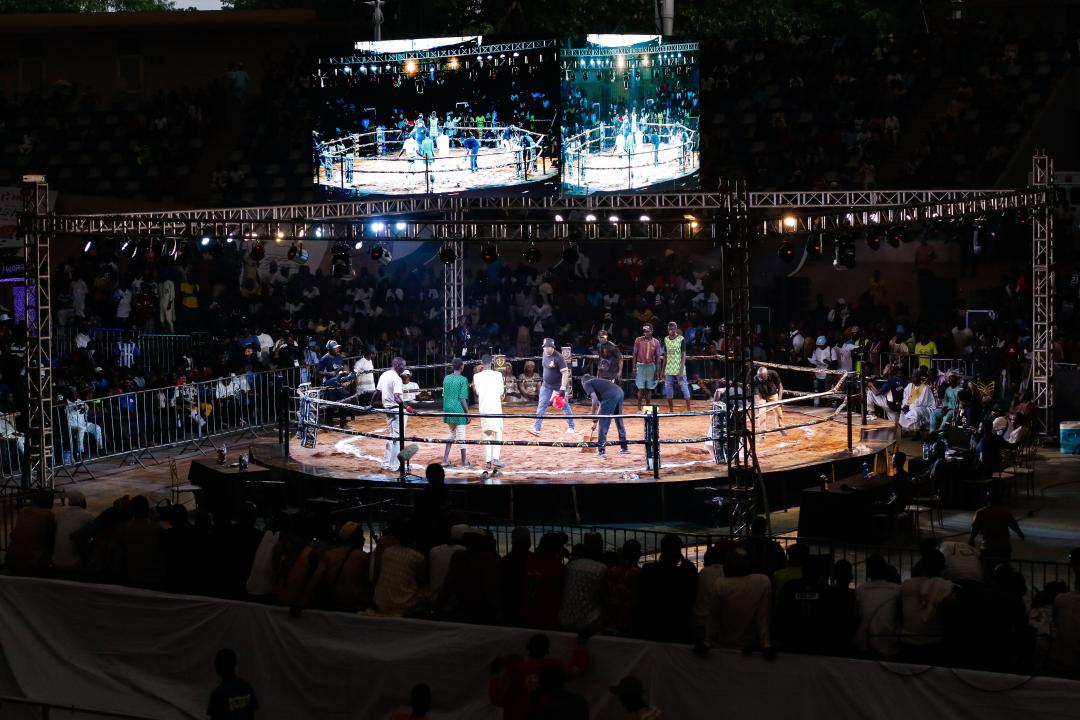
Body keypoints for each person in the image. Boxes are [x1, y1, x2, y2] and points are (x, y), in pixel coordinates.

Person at [633, 534, 697, 642]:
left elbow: (640, 597)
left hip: (651, 628)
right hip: (677, 630)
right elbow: (692, 596)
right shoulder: (683, 574)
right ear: (677, 553)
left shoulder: (649, 569)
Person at [706, 549, 772, 652]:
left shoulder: (720, 584)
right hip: (751, 646)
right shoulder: (763, 581)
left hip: (724, 645)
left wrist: (707, 642)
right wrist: (766, 644)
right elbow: (763, 617)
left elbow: (714, 618)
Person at [558, 533, 608, 632]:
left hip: (565, 620)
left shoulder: (570, 566)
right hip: (590, 623)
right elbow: (605, 597)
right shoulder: (601, 569)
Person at [853, 554, 901, 658]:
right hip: (889, 645)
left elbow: (857, 615)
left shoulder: (860, 590)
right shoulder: (897, 590)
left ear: (868, 572)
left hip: (864, 644)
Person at [528, 338, 575, 436]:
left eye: (548, 347)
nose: (546, 349)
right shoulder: (544, 354)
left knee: (565, 406)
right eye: (544, 347)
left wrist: (562, 388)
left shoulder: (559, 357)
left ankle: (571, 427)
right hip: (546, 385)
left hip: (558, 386)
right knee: (541, 405)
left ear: (552, 347)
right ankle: (536, 428)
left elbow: (565, 373)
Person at [969, 488, 1025, 567]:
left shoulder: (980, 513)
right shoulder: (1005, 512)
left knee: (987, 569)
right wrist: (1020, 533)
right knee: (1004, 569)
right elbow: (1013, 525)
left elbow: (974, 528)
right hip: (1004, 547)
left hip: (987, 547)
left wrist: (971, 539)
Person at [6, 489, 56, 576]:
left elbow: (13, 535)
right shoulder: (48, 514)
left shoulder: (24, 511)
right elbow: (51, 539)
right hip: (32, 562)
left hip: (10, 559)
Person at [580, 373, 628, 456]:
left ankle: (601, 450)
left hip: (611, 395)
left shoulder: (586, 383)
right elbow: (601, 405)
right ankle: (624, 447)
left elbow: (594, 400)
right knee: (619, 420)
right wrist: (595, 421)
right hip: (619, 392)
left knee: (603, 423)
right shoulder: (598, 382)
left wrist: (593, 415)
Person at [474, 354, 506, 472]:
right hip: (495, 407)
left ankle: (488, 461)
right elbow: (501, 392)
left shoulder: (476, 376)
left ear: (481, 363)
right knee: (498, 431)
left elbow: (477, 392)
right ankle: (496, 458)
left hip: (484, 407)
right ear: (492, 362)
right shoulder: (498, 375)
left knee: (487, 433)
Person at [52, 489, 95, 576]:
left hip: (55, 563)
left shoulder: (60, 514)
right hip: (75, 564)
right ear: (83, 502)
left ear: (69, 503)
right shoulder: (87, 516)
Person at [207, 648, 258, 720]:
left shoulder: (218, 694)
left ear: (218, 667)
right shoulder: (246, 687)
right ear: (234, 664)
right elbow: (251, 715)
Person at [376, 357, 408, 471]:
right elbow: (397, 397)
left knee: (391, 437)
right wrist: (407, 407)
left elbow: (377, 392)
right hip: (396, 410)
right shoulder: (396, 378)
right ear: (398, 365)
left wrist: (370, 404)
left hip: (388, 410)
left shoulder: (384, 375)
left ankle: (386, 463)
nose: (405, 368)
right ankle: (394, 465)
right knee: (397, 439)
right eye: (403, 365)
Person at [590, 329, 623, 432]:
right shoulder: (599, 346)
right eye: (600, 337)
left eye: (603, 337)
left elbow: (620, 358)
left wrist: (619, 372)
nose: (601, 339)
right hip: (602, 373)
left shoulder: (612, 346)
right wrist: (598, 372)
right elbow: (601, 359)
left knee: (604, 398)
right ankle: (596, 418)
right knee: (597, 397)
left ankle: (596, 420)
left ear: (606, 337)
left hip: (611, 374)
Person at [441, 358, 471, 468]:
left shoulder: (446, 378)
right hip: (458, 409)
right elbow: (463, 398)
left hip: (447, 408)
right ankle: (464, 461)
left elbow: (444, 394)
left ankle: (445, 459)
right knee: (461, 435)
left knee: (451, 434)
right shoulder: (463, 379)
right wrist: (467, 413)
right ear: (462, 366)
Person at [317, 339, 350, 429]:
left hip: (339, 384)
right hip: (330, 386)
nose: (337, 349)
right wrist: (329, 373)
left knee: (343, 404)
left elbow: (344, 365)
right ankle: (330, 424)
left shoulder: (339, 356)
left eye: (337, 348)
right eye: (335, 348)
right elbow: (318, 372)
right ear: (330, 349)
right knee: (330, 406)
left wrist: (346, 371)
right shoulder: (324, 359)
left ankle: (343, 424)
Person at [661, 321, 692, 413]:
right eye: (669, 328)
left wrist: (681, 370)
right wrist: (662, 370)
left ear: (676, 329)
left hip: (679, 366)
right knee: (668, 388)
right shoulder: (666, 339)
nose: (671, 330)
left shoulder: (681, 339)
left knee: (684, 387)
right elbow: (665, 356)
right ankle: (671, 410)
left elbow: (683, 355)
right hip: (669, 367)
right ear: (668, 329)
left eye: (673, 328)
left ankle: (689, 410)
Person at [632, 323, 663, 410]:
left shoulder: (656, 342)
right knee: (641, 388)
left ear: (652, 331)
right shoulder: (638, 340)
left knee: (649, 389)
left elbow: (658, 358)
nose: (646, 333)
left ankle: (647, 407)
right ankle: (638, 408)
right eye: (644, 331)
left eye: (648, 331)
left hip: (651, 366)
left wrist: (657, 371)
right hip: (640, 365)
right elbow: (634, 354)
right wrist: (634, 368)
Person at [899, 367, 934, 434]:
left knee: (915, 411)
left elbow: (922, 402)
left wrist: (909, 407)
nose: (913, 379)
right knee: (903, 411)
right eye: (912, 377)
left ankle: (918, 432)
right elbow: (905, 397)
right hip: (911, 407)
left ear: (919, 378)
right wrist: (905, 405)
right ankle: (913, 431)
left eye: (915, 377)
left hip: (926, 408)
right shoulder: (910, 386)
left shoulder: (925, 387)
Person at [752, 366, 786, 435]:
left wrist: (779, 401)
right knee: (761, 413)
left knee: (779, 413)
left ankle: (780, 427)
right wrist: (756, 411)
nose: (761, 380)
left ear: (766, 375)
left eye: (762, 378)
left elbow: (780, 387)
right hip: (762, 396)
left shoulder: (773, 374)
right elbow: (756, 396)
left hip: (772, 394)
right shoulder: (755, 379)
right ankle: (762, 431)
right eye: (760, 378)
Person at [809, 335, 837, 407]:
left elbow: (835, 363)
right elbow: (813, 361)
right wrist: (814, 363)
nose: (820, 347)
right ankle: (819, 406)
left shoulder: (831, 350)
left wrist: (828, 362)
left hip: (827, 376)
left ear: (825, 344)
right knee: (818, 392)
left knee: (828, 392)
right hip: (818, 374)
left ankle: (829, 406)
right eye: (819, 345)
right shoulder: (816, 350)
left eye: (822, 345)